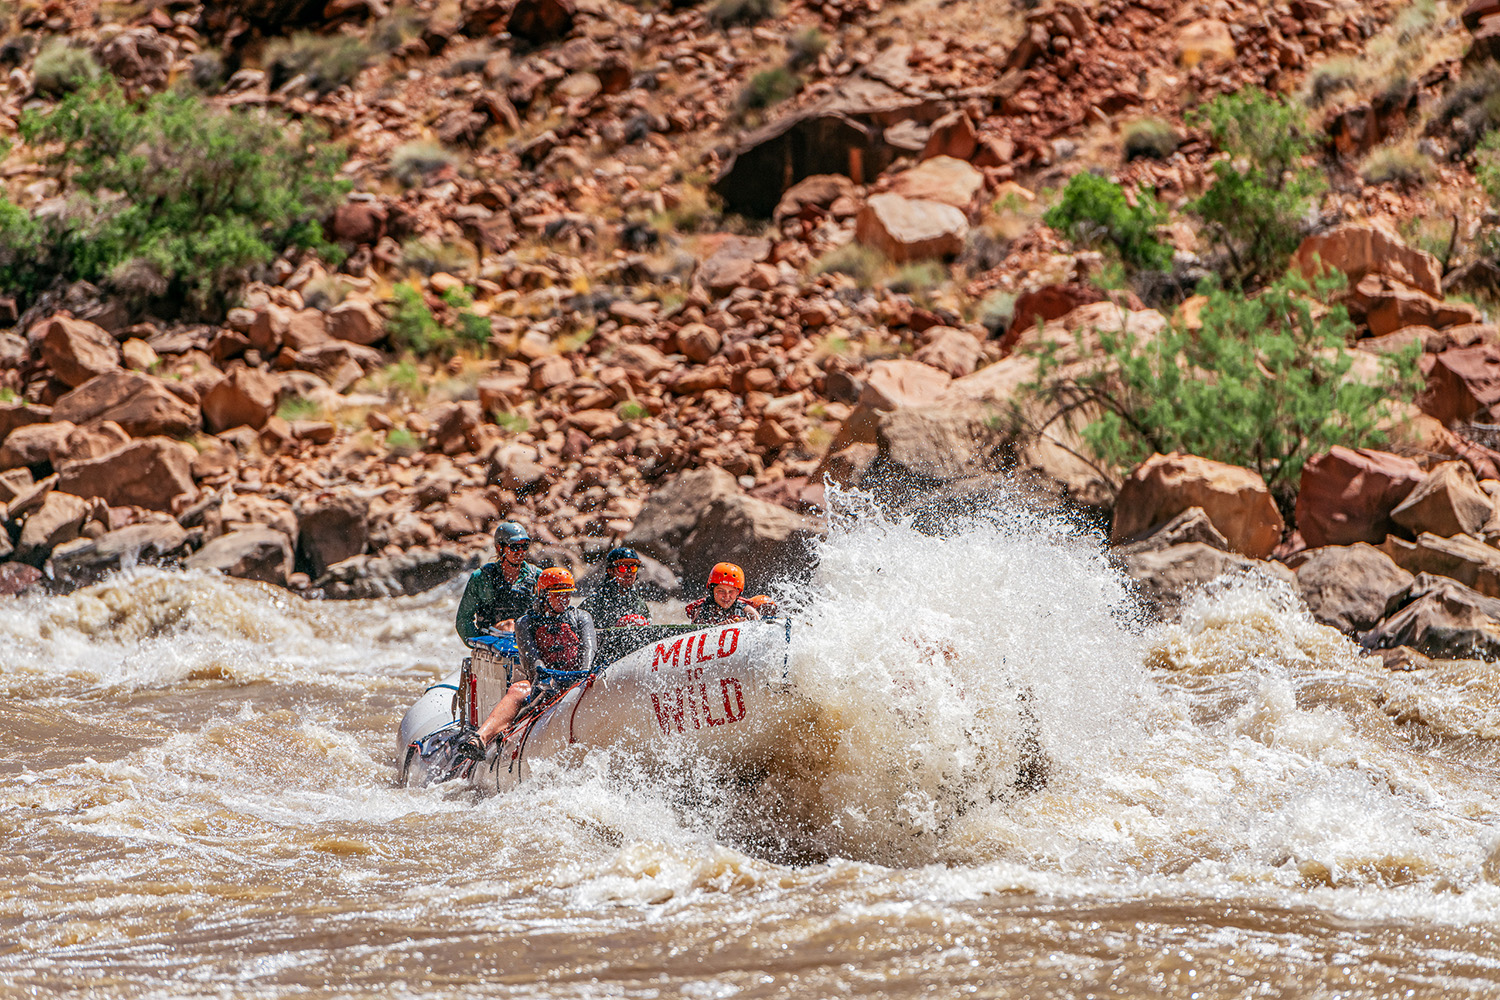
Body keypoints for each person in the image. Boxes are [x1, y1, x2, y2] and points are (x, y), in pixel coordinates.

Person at [460, 567, 597, 757]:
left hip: (578, 678)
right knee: (518, 690)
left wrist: (582, 674)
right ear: (543, 594)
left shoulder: (582, 617)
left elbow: (589, 651)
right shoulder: (526, 623)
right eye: (558, 595)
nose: (564, 599)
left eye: (567, 594)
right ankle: (480, 738)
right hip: (541, 681)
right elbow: (533, 662)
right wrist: (545, 675)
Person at [455, 522, 541, 641]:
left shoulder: (537, 576)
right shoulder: (481, 577)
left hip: (526, 643)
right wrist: (479, 642)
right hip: (492, 644)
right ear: (500, 548)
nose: (520, 551)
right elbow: (463, 619)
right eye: (515, 547)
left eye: (524, 546)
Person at [581, 546, 652, 628]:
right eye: (622, 568)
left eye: (633, 568)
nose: (629, 573)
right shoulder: (594, 603)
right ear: (610, 571)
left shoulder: (639, 604)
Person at [685, 562, 761, 626]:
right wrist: (719, 627)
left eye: (731, 592)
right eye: (721, 591)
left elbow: (760, 628)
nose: (727, 596)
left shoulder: (746, 610)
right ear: (712, 591)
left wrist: (747, 625)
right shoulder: (702, 609)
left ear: (738, 593)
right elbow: (695, 632)